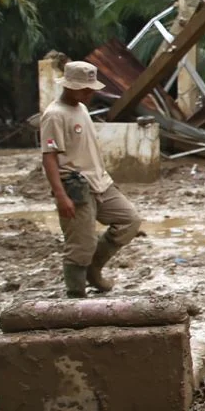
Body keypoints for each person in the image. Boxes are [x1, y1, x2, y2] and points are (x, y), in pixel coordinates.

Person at [40, 61, 142, 298]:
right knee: (80, 246)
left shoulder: (82, 109)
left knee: (130, 221)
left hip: (100, 182)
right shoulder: (55, 115)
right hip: (75, 186)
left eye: (91, 89)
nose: (89, 94)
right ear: (69, 86)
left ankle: (93, 269)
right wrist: (60, 194)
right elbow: (49, 158)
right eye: (85, 89)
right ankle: (76, 294)